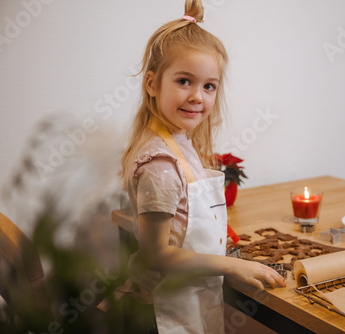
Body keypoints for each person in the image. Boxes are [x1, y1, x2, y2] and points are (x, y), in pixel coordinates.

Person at [120, 0, 286, 332]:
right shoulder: (160, 166)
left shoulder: (180, 141)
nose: (198, 96)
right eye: (184, 81)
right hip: (163, 312)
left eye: (209, 86)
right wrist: (231, 267)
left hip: (191, 297)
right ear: (152, 84)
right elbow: (155, 255)